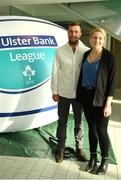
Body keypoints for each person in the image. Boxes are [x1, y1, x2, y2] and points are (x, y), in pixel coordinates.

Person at [76, 27, 117, 175]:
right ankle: (93, 159)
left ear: (103, 40)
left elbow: (112, 82)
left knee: (101, 130)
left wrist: (108, 104)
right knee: (91, 130)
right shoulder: (86, 54)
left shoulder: (109, 57)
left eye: (100, 38)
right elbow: (81, 76)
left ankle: (105, 160)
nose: (97, 40)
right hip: (87, 97)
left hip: (101, 98)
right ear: (90, 39)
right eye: (95, 38)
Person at [51, 21, 89, 163]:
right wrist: (54, 91)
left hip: (79, 95)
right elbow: (55, 72)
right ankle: (61, 149)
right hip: (63, 93)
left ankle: (79, 149)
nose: (73, 34)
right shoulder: (59, 51)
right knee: (62, 122)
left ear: (80, 33)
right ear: (68, 32)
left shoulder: (86, 51)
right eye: (71, 31)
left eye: (76, 31)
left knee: (79, 123)